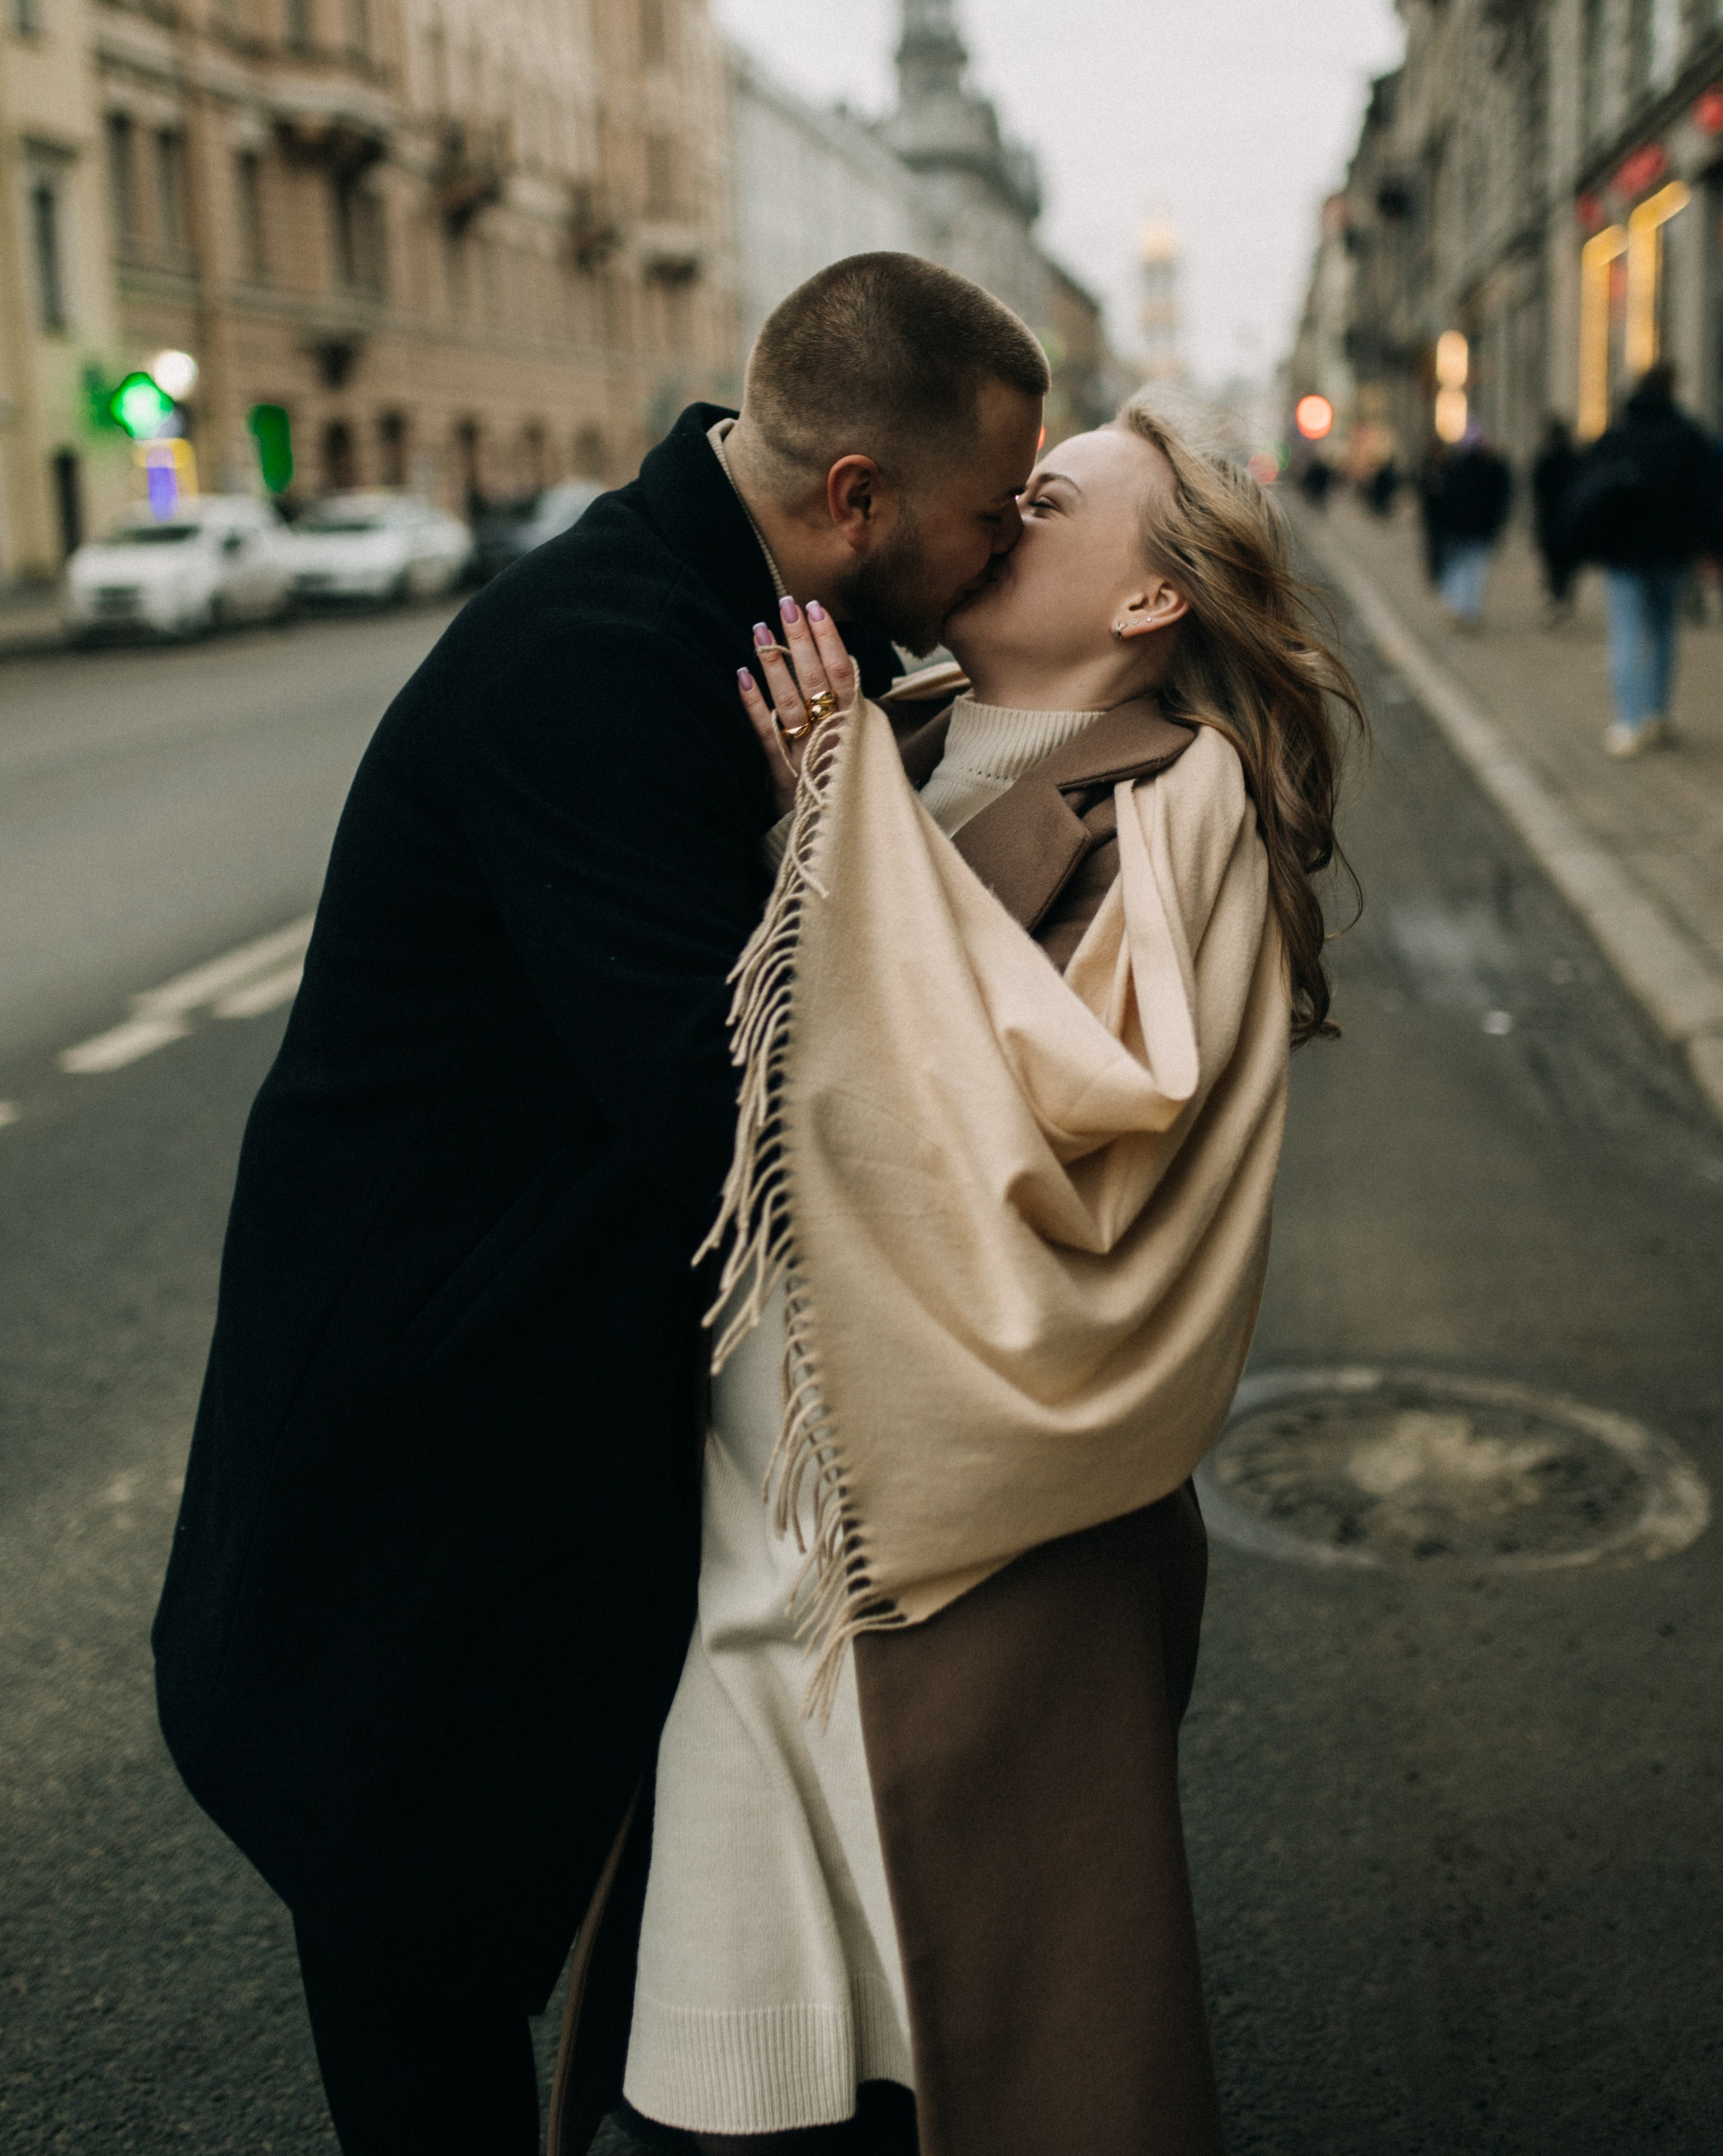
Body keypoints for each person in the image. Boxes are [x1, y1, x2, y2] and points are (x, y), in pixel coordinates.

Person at [150, 252, 1051, 2156]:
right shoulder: (610, 664)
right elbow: (732, 1111)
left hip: (511, 1385)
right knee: (414, 1959)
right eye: (985, 519)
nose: (993, 563)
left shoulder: (737, 611)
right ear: (859, 499)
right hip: (417, 1426)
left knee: (475, 1929)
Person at [552, 406, 1362, 2156]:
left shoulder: (1176, 786)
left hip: (969, 1554)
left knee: (982, 2050)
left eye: (1045, 503)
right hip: (758, 1504)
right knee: (730, 2060)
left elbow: (1075, 1099)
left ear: (1150, 598)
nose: (998, 516)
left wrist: (844, 823)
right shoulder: (895, 727)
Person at [1559, 362, 1723, 756]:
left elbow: (1586, 493)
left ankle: (1630, 722)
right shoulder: (1689, 437)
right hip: (1670, 555)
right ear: (1673, 390)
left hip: (1623, 556)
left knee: (1628, 633)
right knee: (1664, 631)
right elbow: (1710, 499)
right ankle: (1656, 714)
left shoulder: (1618, 436)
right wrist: (1711, 550)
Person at [1423, 422, 1513, 630]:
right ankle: (1471, 610)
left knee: (1458, 569)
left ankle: (1459, 609)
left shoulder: (1454, 468)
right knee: (1475, 571)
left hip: (1458, 531)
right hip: (1480, 531)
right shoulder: (1491, 468)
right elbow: (1500, 499)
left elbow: (1444, 500)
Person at [1530, 415, 1578, 620]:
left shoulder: (1545, 459)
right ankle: (1562, 595)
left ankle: (1556, 594)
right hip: (1570, 519)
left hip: (1549, 519)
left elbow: (1536, 490)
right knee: (1567, 562)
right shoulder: (1574, 459)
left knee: (1552, 561)